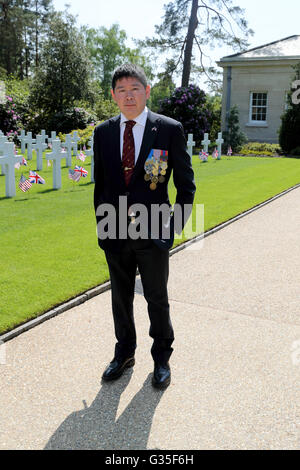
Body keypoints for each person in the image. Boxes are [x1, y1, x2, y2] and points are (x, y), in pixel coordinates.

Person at [93, 63, 196, 389]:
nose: (128, 96)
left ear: (146, 91)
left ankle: (162, 358)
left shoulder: (167, 129)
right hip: (115, 231)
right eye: (121, 90)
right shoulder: (104, 132)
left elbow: (186, 186)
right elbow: (101, 187)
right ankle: (124, 353)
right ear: (113, 95)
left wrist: (172, 229)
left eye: (134, 88)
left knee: (156, 297)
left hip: (154, 231)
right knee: (120, 298)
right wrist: (102, 227)